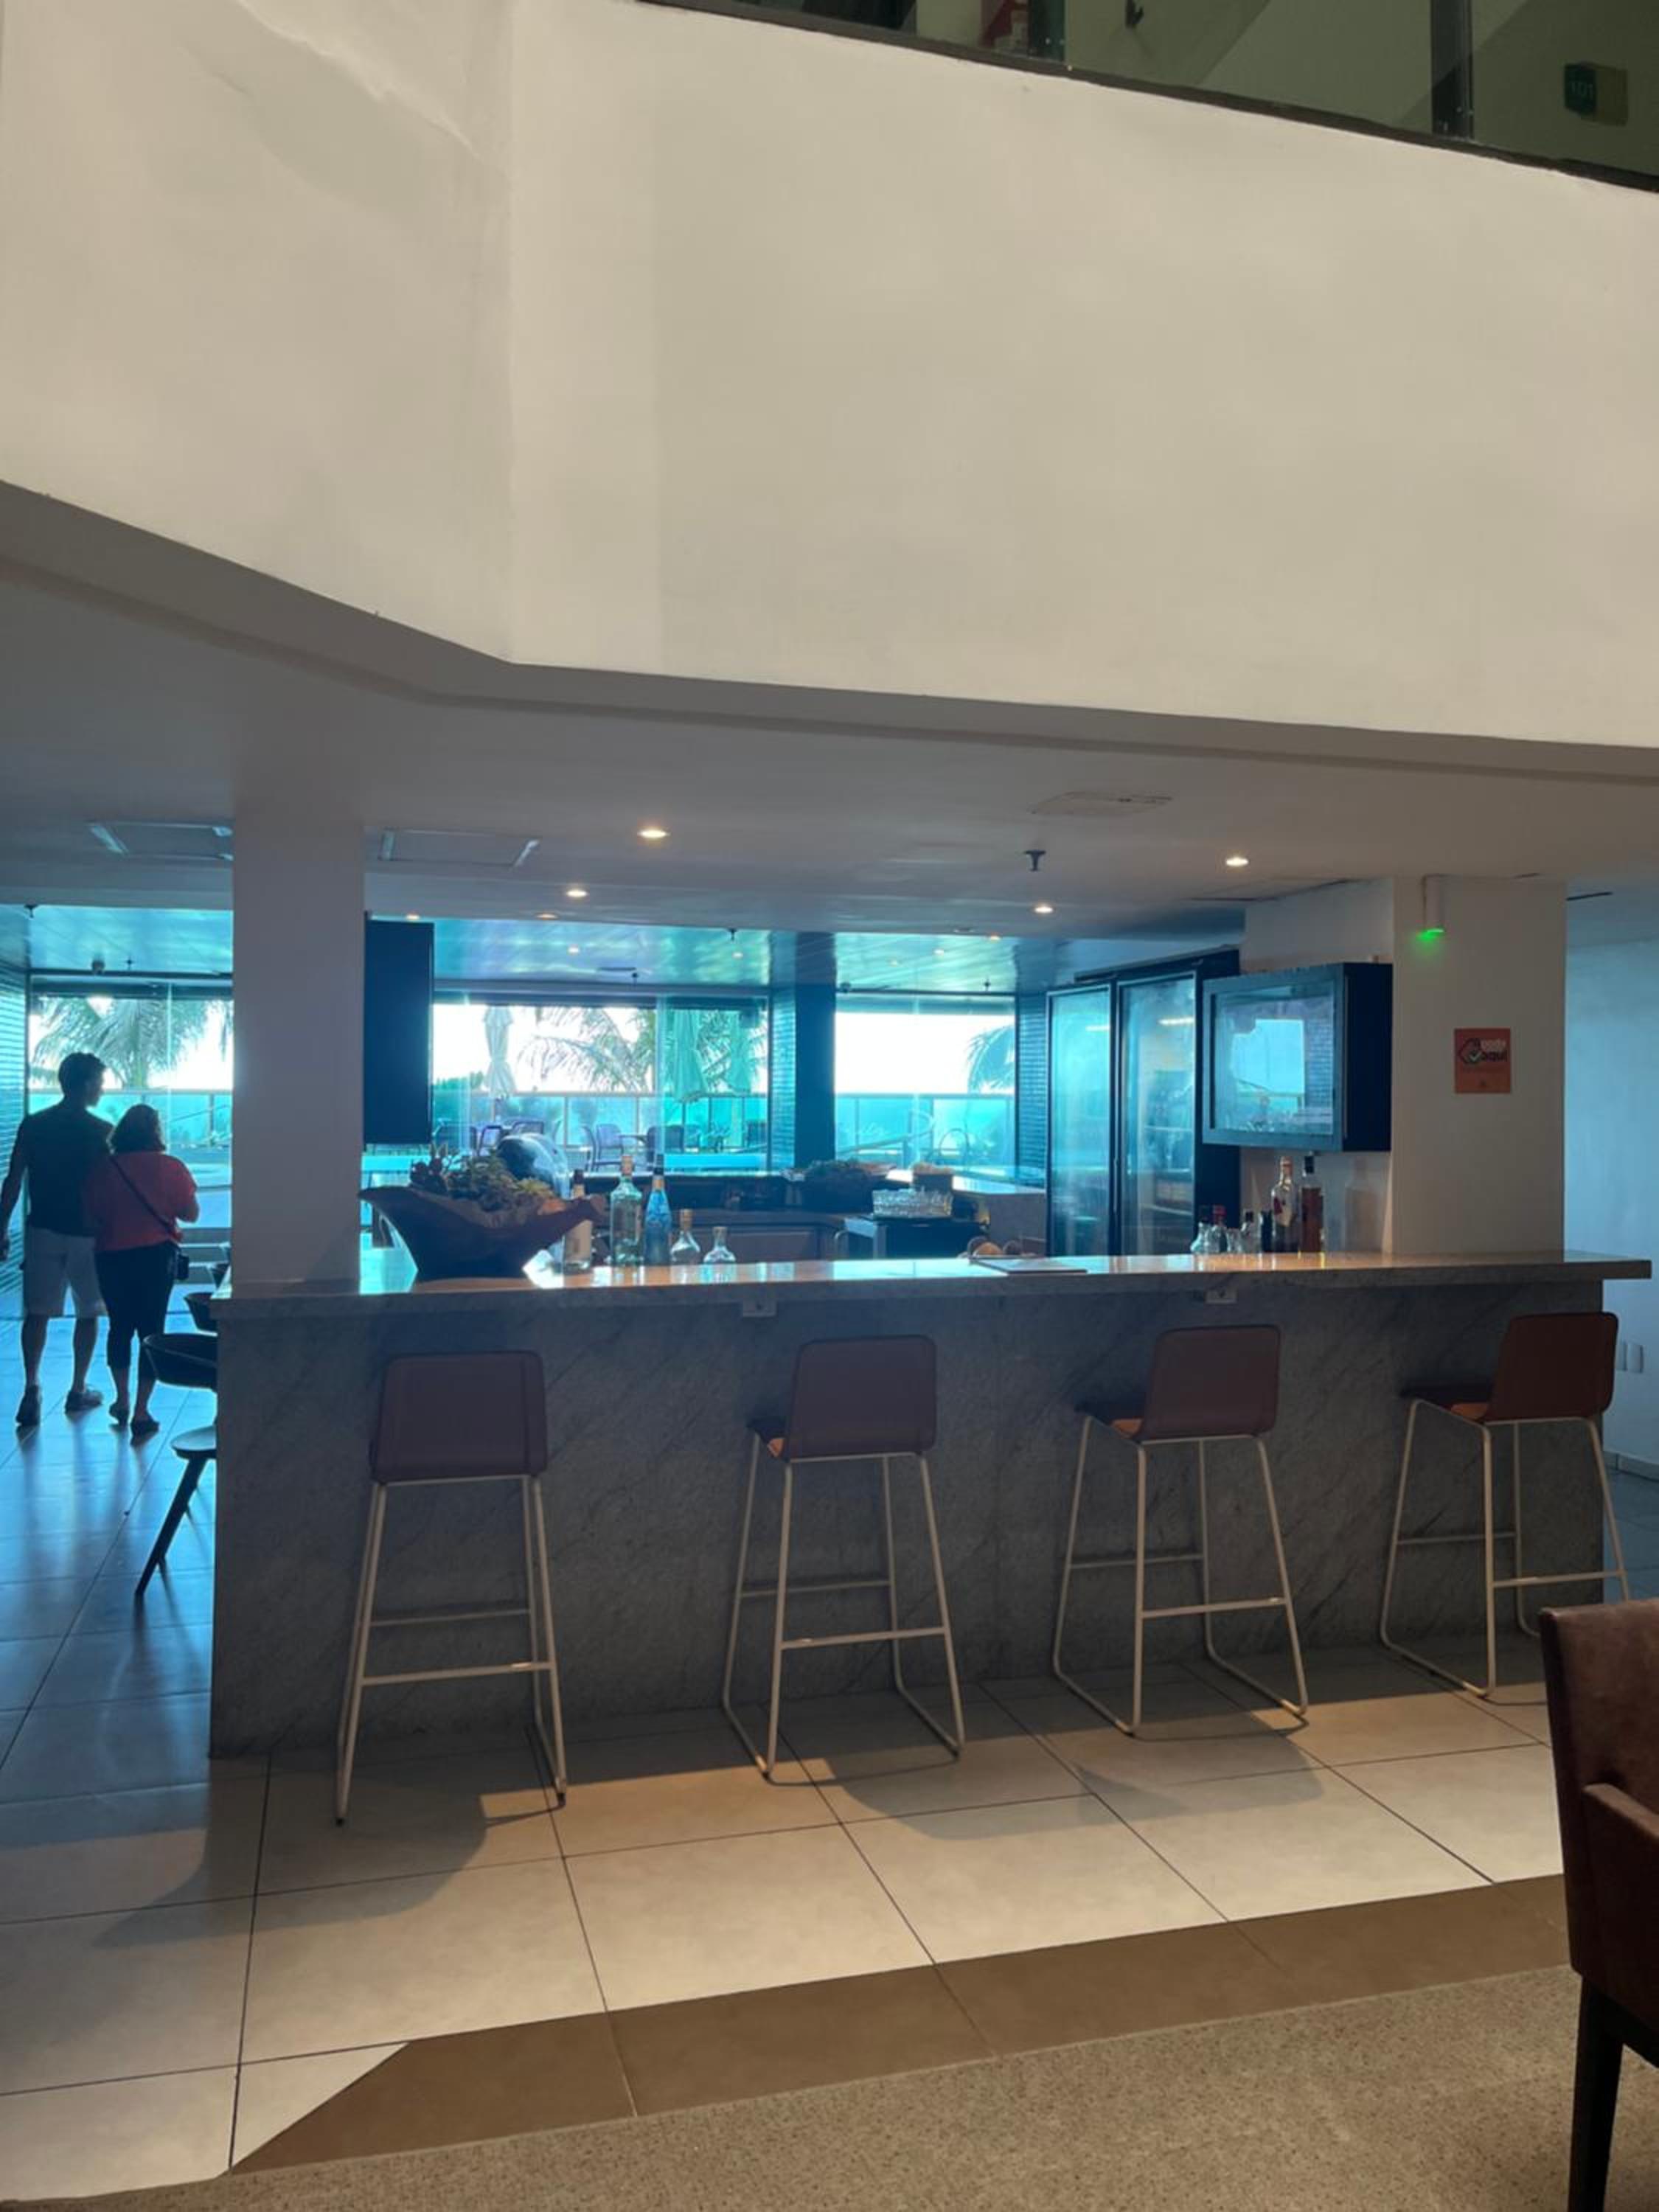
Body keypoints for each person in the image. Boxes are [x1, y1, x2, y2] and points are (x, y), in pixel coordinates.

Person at [0, 1051, 114, 1428]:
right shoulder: (101, 1131)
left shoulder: (34, 1126)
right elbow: (109, 1188)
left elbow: (13, 1181)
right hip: (86, 1234)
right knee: (89, 1312)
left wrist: (2, 1227)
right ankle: (78, 1388)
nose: (102, 1089)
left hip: (42, 1229)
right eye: (100, 1083)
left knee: (37, 1312)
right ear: (87, 1084)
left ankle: (32, 1385)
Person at [82, 1105, 200, 1439]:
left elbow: (90, 1217)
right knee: (151, 1329)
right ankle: (142, 1409)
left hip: (111, 1255)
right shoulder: (171, 1168)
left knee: (119, 1326)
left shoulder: (103, 1170)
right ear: (155, 1132)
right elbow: (191, 1213)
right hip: (155, 1256)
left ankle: (121, 1398)